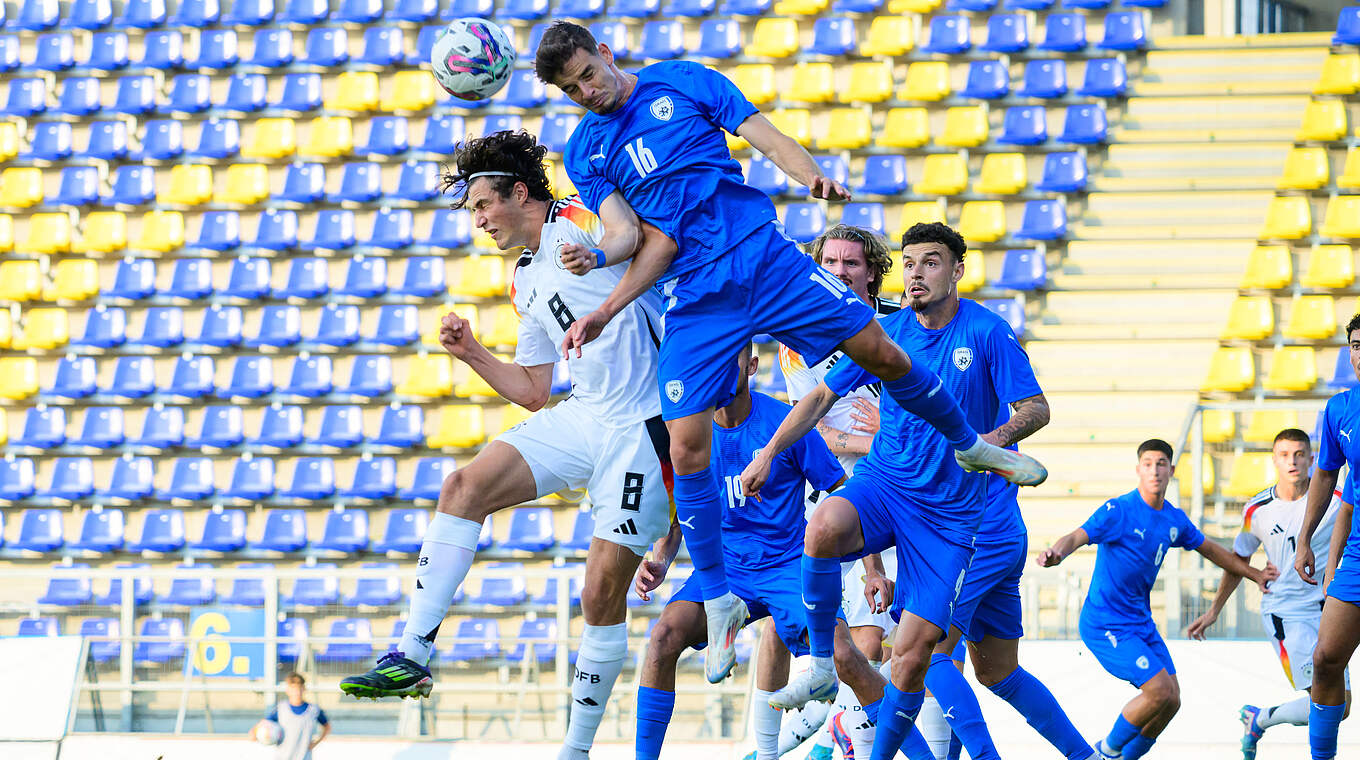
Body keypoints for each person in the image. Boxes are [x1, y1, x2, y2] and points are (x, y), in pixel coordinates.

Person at [532, 20, 1049, 684]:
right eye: (573, 90)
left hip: (767, 260)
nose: (588, 92)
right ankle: (716, 596)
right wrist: (600, 277)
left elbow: (761, 132)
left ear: (605, 53)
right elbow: (628, 232)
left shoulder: (682, 81)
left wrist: (811, 175)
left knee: (883, 353)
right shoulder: (587, 149)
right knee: (686, 445)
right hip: (698, 292)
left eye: (589, 75)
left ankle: (970, 443)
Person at [337, 131, 674, 760]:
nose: (480, 221)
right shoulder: (523, 278)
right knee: (463, 486)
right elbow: (533, 391)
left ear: (520, 192)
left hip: (647, 425)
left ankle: (574, 751)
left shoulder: (584, 219)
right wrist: (470, 353)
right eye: (472, 212)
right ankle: (412, 653)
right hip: (586, 415)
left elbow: (651, 243)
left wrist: (607, 257)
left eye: (483, 205)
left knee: (599, 592)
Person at [740, 223, 1046, 760]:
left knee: (913, 657)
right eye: (910, 263)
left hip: (950, 516)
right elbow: (814, 404)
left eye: (930, 262)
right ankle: (816, 676)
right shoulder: (878, 335)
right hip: (881, 484)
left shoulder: (987, 331)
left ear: (956, 270)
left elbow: (1036, 408)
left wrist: (984, 444)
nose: (917, 273)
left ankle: (868, 742)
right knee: (821, 531)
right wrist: (767, 453)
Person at [632, 344, 847, 760]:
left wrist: (867, 566)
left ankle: (848, 730)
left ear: (750, 366)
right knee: (662, 637)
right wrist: (660, 558)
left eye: (726, 361)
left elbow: (836, 489)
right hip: (724, 571)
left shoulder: (785, 422)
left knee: (843, 655)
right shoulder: (689, 432)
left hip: (787, 565)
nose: (713, 372)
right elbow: (683, 513)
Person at [1037, 439, 1279, 760]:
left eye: (1161, 464)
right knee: (1158, 691)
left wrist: (1256, 574)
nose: (1154, 470)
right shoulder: (1118, 510)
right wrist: (1058, 552)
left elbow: (1215, 552)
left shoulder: (1174, 520)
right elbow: (1077, 536)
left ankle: (1125, 757)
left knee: (1172, 701)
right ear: (1138, 469)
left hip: (1141, 623)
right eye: (1148, 464)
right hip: (1104, 623)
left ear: (1171, 470)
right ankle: (1104, 752)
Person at [773, 225, 900, 760]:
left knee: (892, 640)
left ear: (872, 270)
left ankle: (838, 729)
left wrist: (880, 436)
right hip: (832, 495)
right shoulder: (799, 339)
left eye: (851, 263)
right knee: (829, 639)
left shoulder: (902, 324)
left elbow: (931, 416)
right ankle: (788, 741)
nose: (840, 271)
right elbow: (813, 428)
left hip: (899, 490)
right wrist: (870, 434)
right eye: (830, 261)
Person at [1187, 428, 1351, 760]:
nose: (1293, 462)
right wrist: (1215, 610)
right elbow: (1238, 561)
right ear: (1274, 460)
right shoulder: (1257, 509)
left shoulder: (1336, 501)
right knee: (1324, 699)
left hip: (1330, 609)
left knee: (1341, 706)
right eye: (1285, 455)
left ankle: (1258, 718)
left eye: (1300, 454)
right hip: (1285, 612)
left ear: (1311, 459)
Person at [1295, 313, 1360, 760]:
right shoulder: (1339, 409)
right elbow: (1326, 480)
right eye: (1356, 344)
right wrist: (1305, 540)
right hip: (1359, 554)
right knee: (1325, 659)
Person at [252, 672, 330, 760]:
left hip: (304, 757)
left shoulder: (313, 710)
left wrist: (316, 742)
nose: (296, 692)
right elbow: (265, 722)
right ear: (288, 690)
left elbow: (327, 726)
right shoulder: (281, 708)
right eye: (293, 688)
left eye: (299, 688)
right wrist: (255, 732)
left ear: (304, 688)